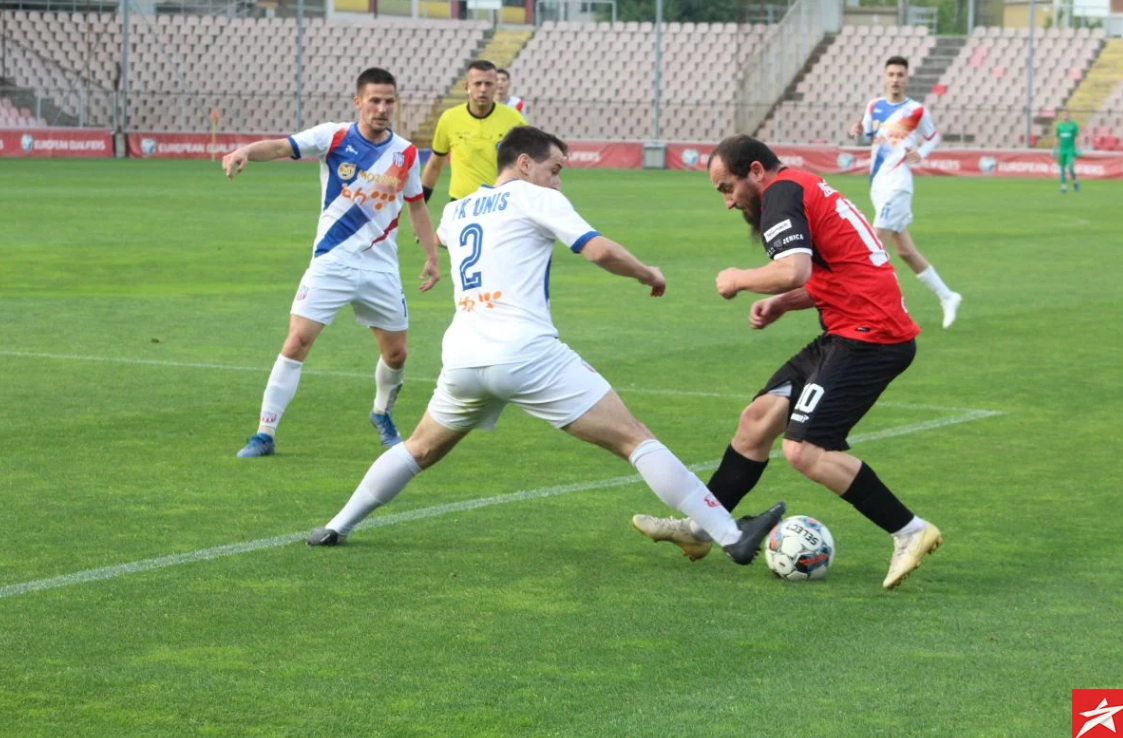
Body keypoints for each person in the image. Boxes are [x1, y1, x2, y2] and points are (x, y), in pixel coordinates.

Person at [307, 126, 785, 562]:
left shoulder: (456, 210)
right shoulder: (533, 197)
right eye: (554, 170)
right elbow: (597, 249)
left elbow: (452, 238)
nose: (557, 182)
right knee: (634, 438)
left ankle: (336, 526)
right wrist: (647, 273)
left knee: (418, 449)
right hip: (525, 352)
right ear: (524, 164)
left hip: (463, 358)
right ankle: (730, 535)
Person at [631, 135, 942, 590]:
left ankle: (910, 530)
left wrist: (738, 278)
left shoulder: (780, 192)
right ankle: (700, 530)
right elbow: (835, 272)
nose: (728, 202)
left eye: (727, 188)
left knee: (804, 449)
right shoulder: (803, 186)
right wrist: (782, 303)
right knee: (757, 420)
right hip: (848, 328)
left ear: (756, 171)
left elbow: (795, 269)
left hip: (870, 336)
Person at [221, 67, 441, 458]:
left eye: (389, 101)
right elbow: (281, 146)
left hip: (380, 268)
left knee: (397, 354)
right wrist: (245, 152)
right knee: (297, 341)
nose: (382, 108)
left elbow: (416, 206)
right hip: (331, 262)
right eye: (374, 100)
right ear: (358, 102)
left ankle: (381, 413)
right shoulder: (334, 136)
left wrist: (431, 255)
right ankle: (264, 433)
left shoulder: (405, 153)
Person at [847, 55, 962, 330]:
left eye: (900, 75)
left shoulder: (916, 110)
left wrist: (920, 153)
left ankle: (870, 313)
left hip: (898, 185)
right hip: (878, 184)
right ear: (884, 77)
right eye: (891, 74)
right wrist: (857, 130)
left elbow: (934, 137)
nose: (895, 79)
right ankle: (948, 296)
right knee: (906, 251)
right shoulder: (874, 106)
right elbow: (868, 134)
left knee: (874, 247)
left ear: (907, 78)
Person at [420, 60, 527, 205]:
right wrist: (420, 204)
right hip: (461, 204)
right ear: (467, 86)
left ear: (496, 87)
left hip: (500, 204)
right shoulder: (449, 118)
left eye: (488, 84)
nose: (483, 89)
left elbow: (530, 165)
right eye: (477, 83)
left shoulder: (515, 119)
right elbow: (434, 165)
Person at [1053, 109, 1080, 194]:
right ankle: (1063, 187)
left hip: (1070, 149)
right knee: (1062, 169)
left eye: (1067, 114)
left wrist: (1078, 149)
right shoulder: (1059, 126)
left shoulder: (1073, 125)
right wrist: (1055, 149)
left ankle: (1075, 181)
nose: (1065, 116)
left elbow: (1076, 137)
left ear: (1069, 115)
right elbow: (1057, 138)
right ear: (1061, 116)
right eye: (1064, 114)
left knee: (1070, 167)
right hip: (1062, 150)